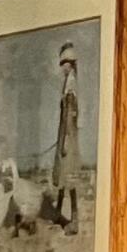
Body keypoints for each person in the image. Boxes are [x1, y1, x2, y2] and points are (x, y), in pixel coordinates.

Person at [47, 48, 83, 230]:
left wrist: (66, 141)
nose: (63, 67)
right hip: (64, 134)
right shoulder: (67, 83)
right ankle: (58, 214)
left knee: (69, 179)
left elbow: (69, 115)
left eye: (65, 63)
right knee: (62, 177)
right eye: (62, 64)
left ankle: (74, 220)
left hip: (68, 136)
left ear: (71, 64)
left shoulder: (71, 86)